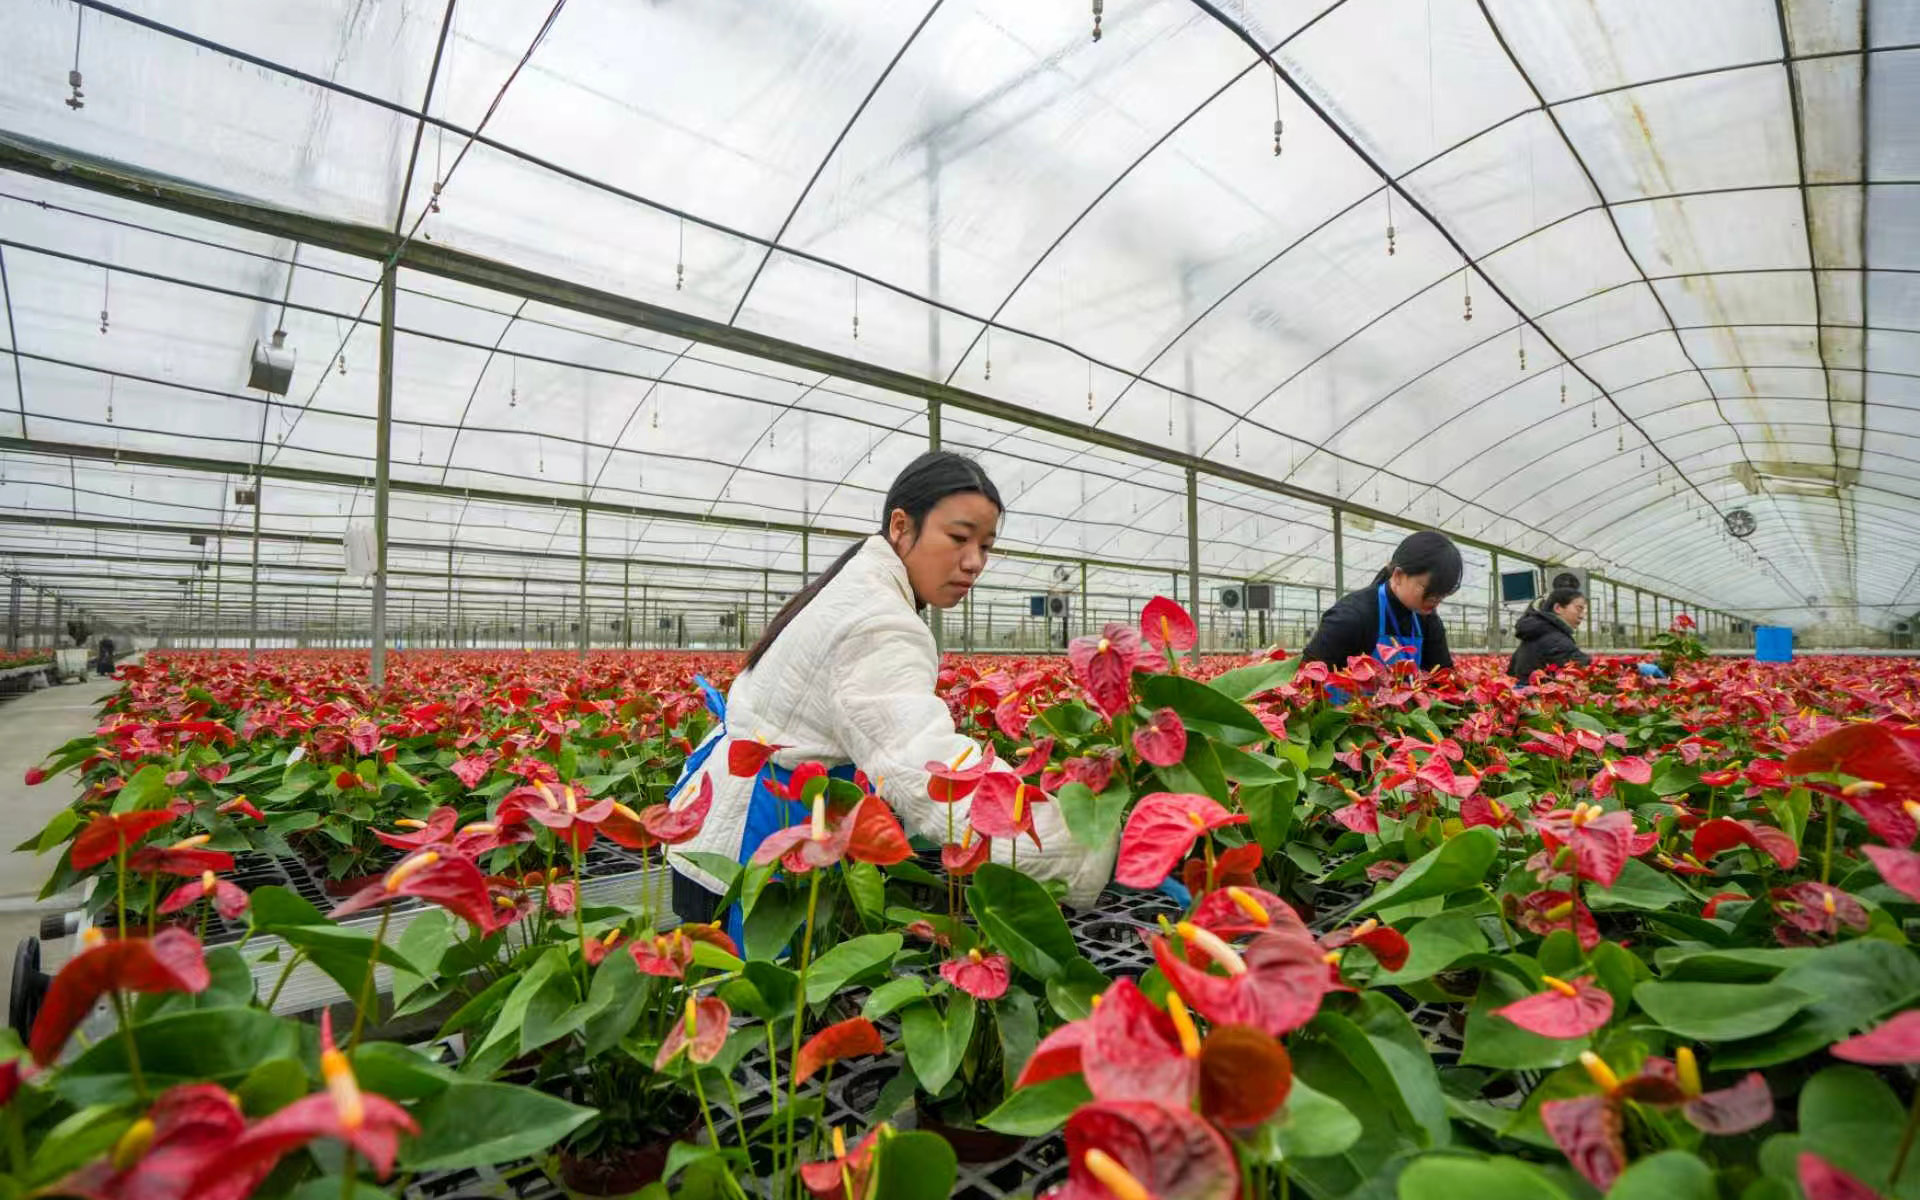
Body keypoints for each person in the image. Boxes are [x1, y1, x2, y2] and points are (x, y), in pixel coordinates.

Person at [666, 451, 1118, 934]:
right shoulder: (879, 622)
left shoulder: (859, 582)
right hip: (756, 849)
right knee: (772, 1002)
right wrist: (1083, 849)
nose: (974, 563)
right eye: (959, 538)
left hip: (720, 831)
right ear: (901, 526)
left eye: (986, 546)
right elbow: (926, 771)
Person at [1303, 530, 1461, 676]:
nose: (1436, 600)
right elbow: (1308, 677)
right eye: (1430, 590)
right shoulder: (1351, 616)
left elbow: (1443, 677)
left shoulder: (1428, 620)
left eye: (1442, 593)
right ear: (1398, 575)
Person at [1508, 587, 1591, 684]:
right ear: (1558, 608)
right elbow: (1584, 667)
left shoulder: (1536, 632)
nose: (1581, 616)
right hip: (1539, 696)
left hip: (1525, 695)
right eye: (1579, 608)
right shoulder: (1556, 639)